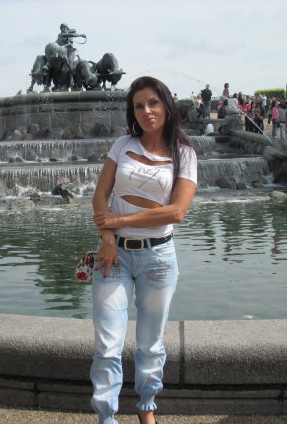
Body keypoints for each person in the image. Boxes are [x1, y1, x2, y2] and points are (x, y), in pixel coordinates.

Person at [90, 76, 197, 424]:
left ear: (166, 105)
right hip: (113, 255)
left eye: (153, 103)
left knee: (151, 343)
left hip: (158, 258)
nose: (147, 111)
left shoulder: (184, 153)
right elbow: (99, 195)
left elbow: (176, 212)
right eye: (139, 106)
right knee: (108, 343)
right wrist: (108, 237)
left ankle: (147, 406)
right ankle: (106, 417)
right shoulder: (123, 144)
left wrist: (119, 221)